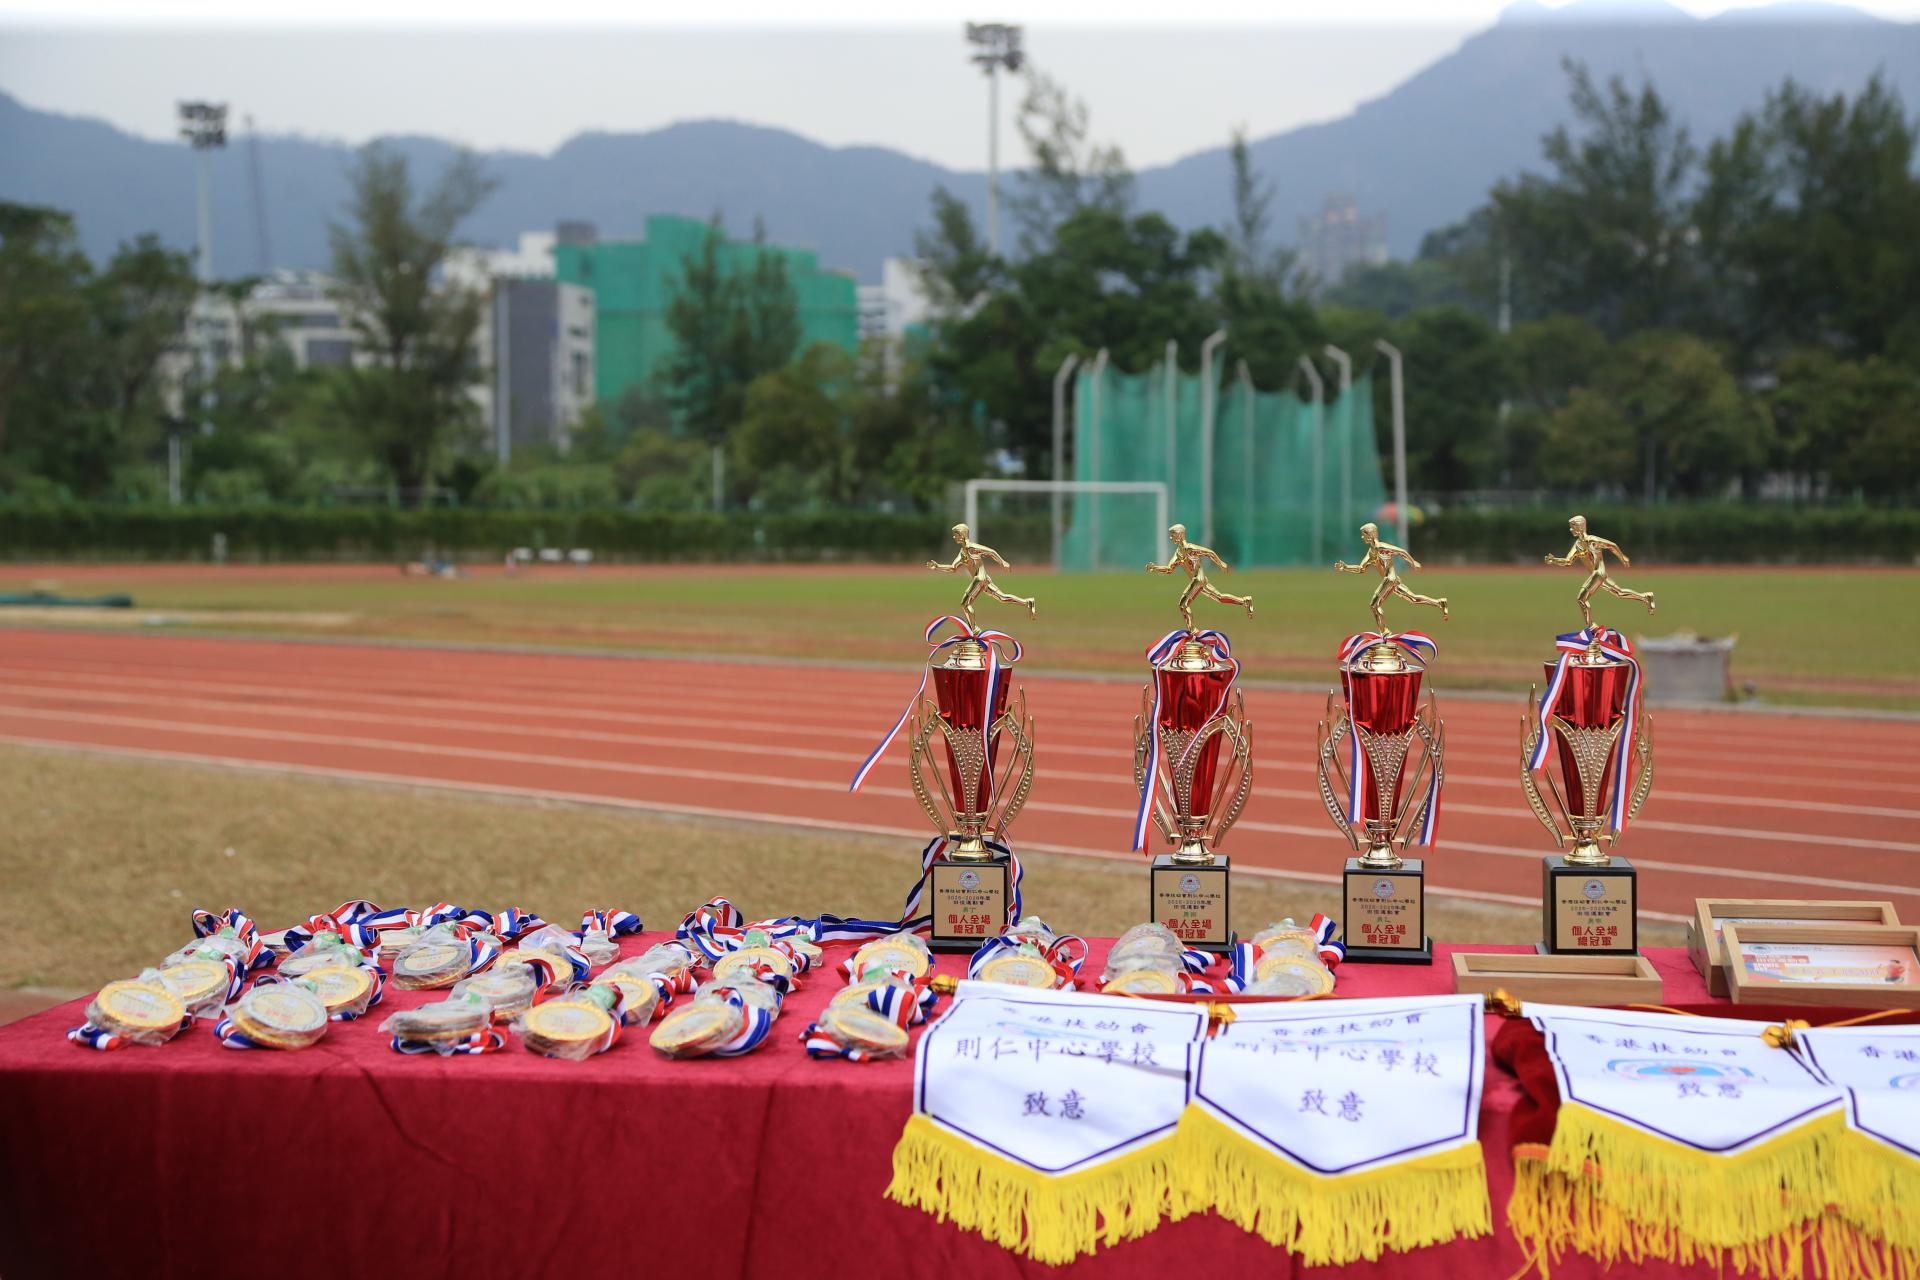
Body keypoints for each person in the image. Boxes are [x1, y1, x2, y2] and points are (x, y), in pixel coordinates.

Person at [1334, 522, 1448, 633]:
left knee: (1374, 605)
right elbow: (1361, 568)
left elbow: (1401, 552)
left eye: (1364, 534)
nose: (1362, 537)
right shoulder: (1371, 553)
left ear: (1371, 535)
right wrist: (1345, 567)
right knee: (1412, 598)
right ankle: (1439, 603)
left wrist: (1413, 562)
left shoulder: (1382, 548)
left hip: (1390, 579)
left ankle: (1384, 632)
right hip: (1393, 580)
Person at [1546, 514, 1655, 629]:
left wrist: (1622, 557)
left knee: (1581, 599)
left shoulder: (1592, 541)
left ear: (1580, 527)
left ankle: (1591, 627)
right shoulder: (1577, 545)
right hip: (1597, 576)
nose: (1570, 530)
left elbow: (1612, 546)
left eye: (1573, 527)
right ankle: (1646, 597)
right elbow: (1568, 561)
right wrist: (1554, 560)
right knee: (1619, 592)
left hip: (1598, 573)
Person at [1146, 524, 1253, 630]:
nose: (1171, 537)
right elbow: (1169, 569)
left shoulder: (1190, 548)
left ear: (1180, 535)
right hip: (1200, 581)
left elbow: (1209, 553)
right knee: (1219, 597)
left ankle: (1193, 631)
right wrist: (1155, 568)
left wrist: (1221, 564)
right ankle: (1245, 601)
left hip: (1198, 579)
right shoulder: (1178, 553)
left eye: (1173, 534)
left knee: (1183, 605)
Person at [926, 523, 1035, 627]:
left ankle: (974, 630)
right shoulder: (962, 552)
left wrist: (1003, 562)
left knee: (965, 604)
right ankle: (1027, 602)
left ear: (962, 535)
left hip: (980, 578)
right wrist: (938, 566)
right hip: (984, 579)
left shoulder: (972, 548)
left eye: (956, 534)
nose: (954, 537)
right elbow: (953, 568)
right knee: (1002, 598)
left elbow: (991, 552)